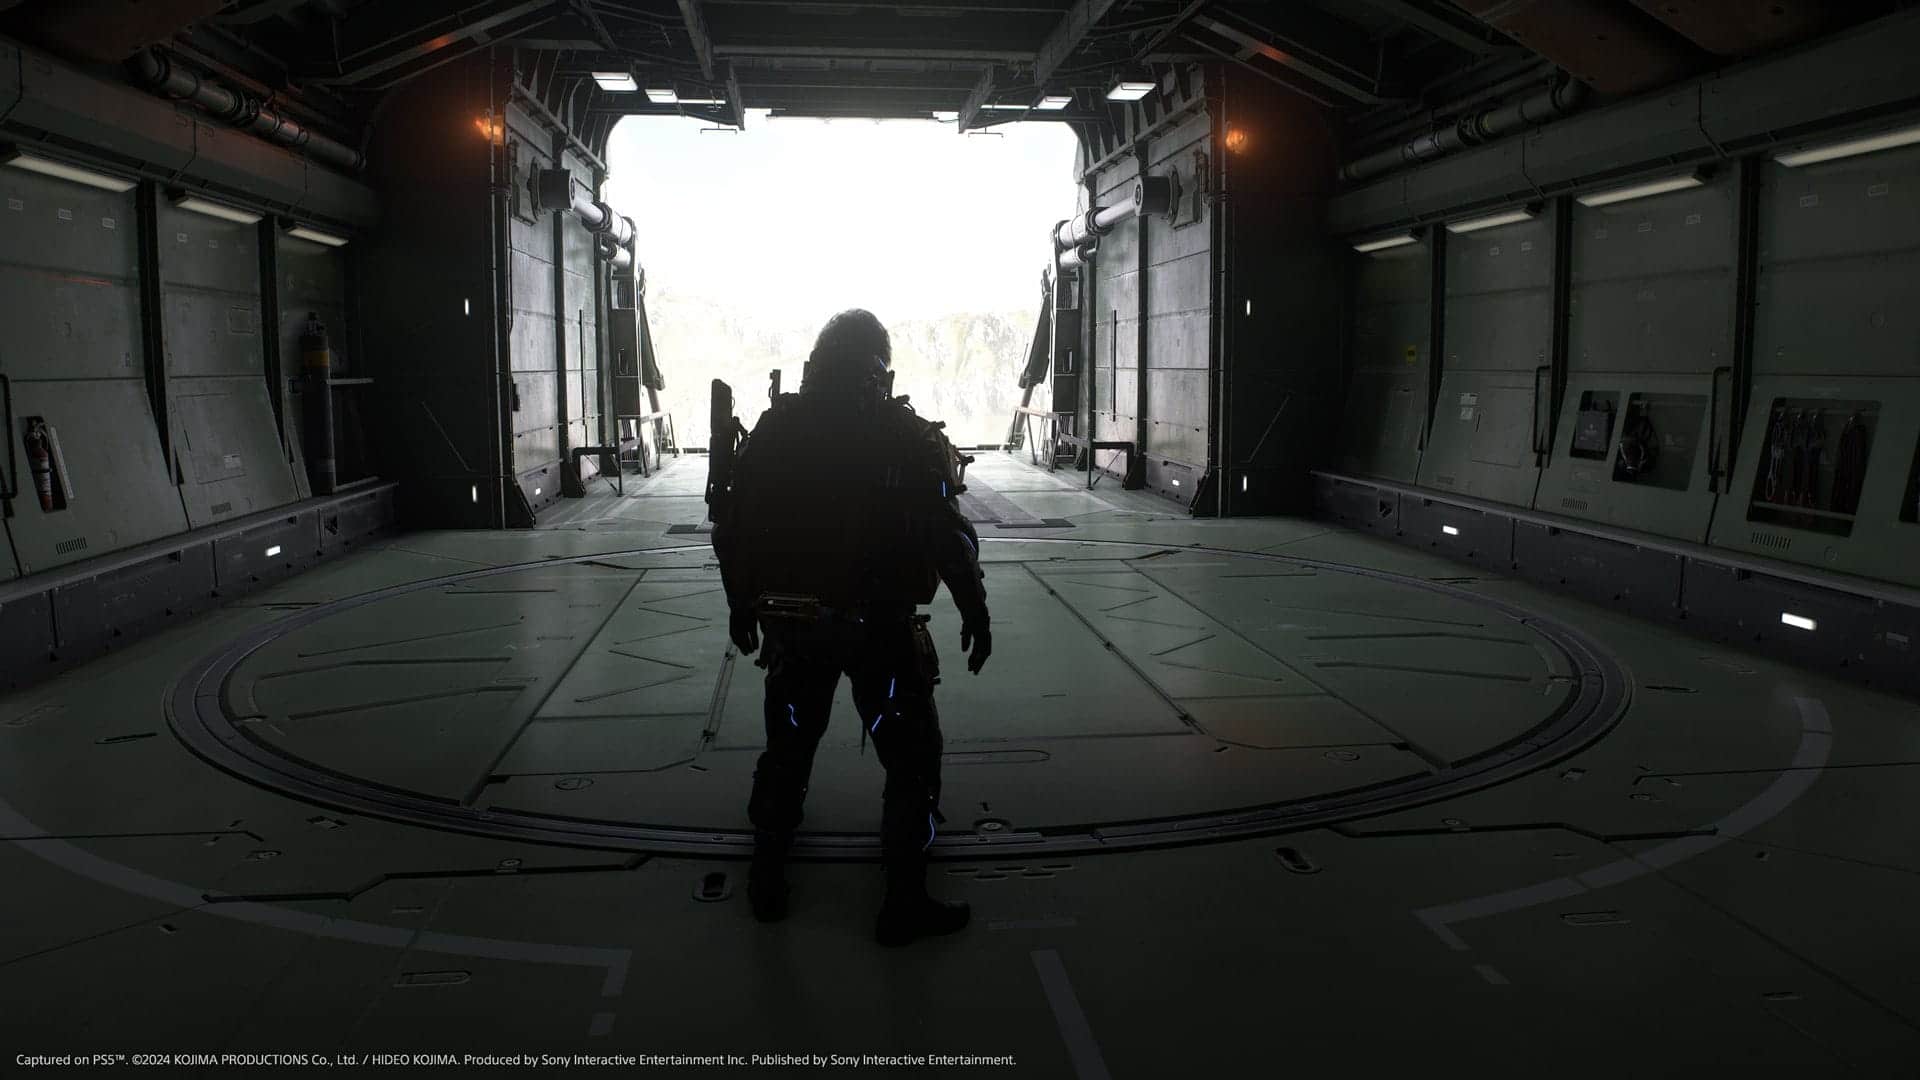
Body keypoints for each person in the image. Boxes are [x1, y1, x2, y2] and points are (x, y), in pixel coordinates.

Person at [710, 309, 993, 947]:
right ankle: (904, 900)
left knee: (788, 749)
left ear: (816, 366)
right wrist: (974, 611)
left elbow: (733, 531)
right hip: (881, 633)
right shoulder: (906, 437)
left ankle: (767, 879)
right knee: (912, 759)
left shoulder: (776, 433)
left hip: (795, 630)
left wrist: (740, 607)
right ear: (880, 371)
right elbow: (948, 538)